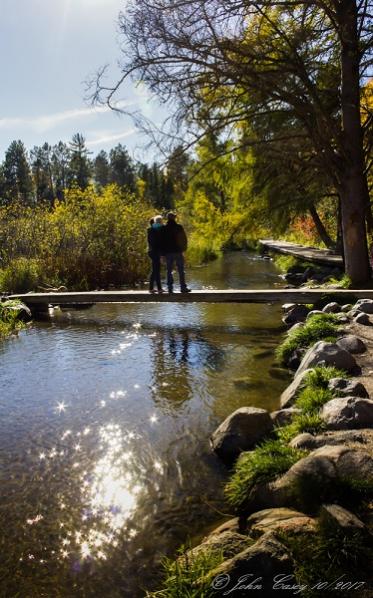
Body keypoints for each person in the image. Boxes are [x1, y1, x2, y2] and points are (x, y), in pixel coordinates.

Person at [162, 212, 191, 293]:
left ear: (167, 218)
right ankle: (183, 287)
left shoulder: (164, 228)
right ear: (174, 218)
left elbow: (161, 242)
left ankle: (170, 288)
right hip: (178, 252)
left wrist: (163, 254)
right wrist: (184, 249)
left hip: (168, 253)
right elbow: (184, 239)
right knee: (181, 270)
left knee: (169, 271)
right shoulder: (179, 227)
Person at [147, 215, 164, 293]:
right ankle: (158, 289)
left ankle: (152, 288)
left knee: (155, 270)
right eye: (161, 221)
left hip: (153, 252)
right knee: (156, 270)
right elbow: (155, 243)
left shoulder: (152, 229)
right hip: (154, 252)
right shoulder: (155, 230)